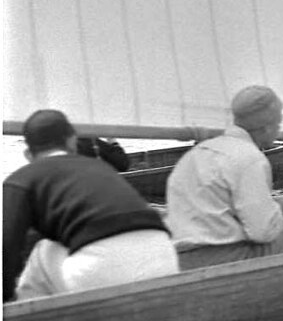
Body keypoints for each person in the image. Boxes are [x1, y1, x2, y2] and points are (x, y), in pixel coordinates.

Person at [3, 109, 178, 302]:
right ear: (71, 141)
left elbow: (6, 245)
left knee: (44, 250)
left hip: (97, 272)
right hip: (165, 259)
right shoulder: (100, 167)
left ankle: (19, 320)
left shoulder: (20, 180)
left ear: (28, 154)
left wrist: (6, 293)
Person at [165, 86, 283, 268]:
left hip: (179, 261)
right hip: (225, 259)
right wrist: (279, 210)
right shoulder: (249, 158)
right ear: (266, 128)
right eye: (278, 125)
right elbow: (262, 233)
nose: (278, 130)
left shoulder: (194, 155)